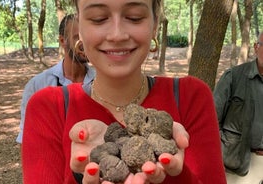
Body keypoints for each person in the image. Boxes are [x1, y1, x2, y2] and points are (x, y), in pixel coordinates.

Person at [22, 0, 226, 183]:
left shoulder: (192, 96)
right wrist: (79, 175)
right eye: (98, 18)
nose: (117, 35)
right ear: (80, 29)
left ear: (154, 25)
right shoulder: (47, 107)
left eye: (134, 17)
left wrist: (175, 174)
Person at [16, 14, 95, 143]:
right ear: (62, 40)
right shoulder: (38, 85)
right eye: (78, 37)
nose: (85, 43)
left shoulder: (102, 82)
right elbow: (27, 137)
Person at [214, 32, 263, 184]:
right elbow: (211, 121)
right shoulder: (234, 77)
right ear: (256, 47)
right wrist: (224, 151)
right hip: (238, 164)